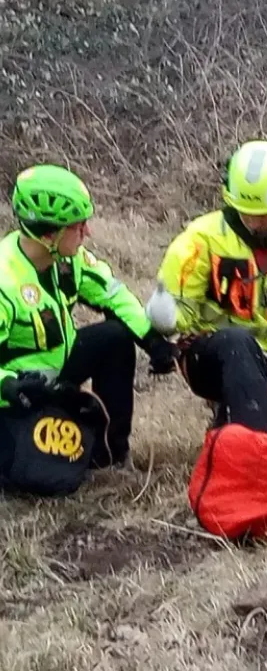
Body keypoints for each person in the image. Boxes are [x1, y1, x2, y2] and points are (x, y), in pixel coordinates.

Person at [147, 139, 267, 441]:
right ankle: (249, 449)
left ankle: (237, 428)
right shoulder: (201, 240)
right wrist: (167, 317)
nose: (253, 223)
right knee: (238, 343)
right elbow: (183, 314)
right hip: (210, 357)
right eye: (245, 213)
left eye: (263, 214)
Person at [0, 164, 177, 496]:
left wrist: (153, 341)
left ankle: (110, 458)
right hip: (15, 395)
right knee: (41, 482)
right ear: (48, 234)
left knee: (114, 338)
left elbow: (113, 295)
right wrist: (8, 387)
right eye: (78, 227)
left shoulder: (70, 259)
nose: (87, 234)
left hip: (57, 369)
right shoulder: (4, 282)